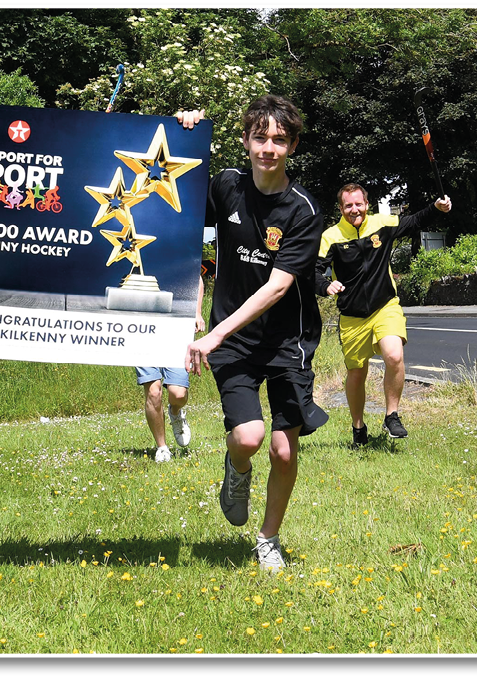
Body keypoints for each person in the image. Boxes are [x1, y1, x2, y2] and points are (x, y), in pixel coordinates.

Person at [181, 96, 328, 573]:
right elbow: (172, 207)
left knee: (285, 448)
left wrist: (212, 334)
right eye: (260, 137)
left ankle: (268, 539)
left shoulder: (303, 210)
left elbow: (278, 287)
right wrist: (186, 132)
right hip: (237, 343)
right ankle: (236, 470)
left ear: (293, 145)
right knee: (248, 437)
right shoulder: (226, 185)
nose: (269, 147)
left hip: (288, 341)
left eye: (279, 139)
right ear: (245, 140)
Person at [316, 183, 452, 444]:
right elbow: (313, 271)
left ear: (367, 204)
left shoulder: (383, 223)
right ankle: (358, 429)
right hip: (352, 317)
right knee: (357, 372)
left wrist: (436, 207)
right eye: (348, 205)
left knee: (393, 354)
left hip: (385, 306)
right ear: (341, 208)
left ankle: (392, 415)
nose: (354, 210)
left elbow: (414, 221)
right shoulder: (331, 237)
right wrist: (325, 285)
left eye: (358, 204)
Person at [136, 278, 205, 462]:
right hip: (142, 329)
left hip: (176, 327)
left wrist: (197, 312)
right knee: (153, 391)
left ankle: (175, 412)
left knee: (178, 394)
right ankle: (162, 448)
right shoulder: (138, 254)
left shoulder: (177, 249)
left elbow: (196, 279)